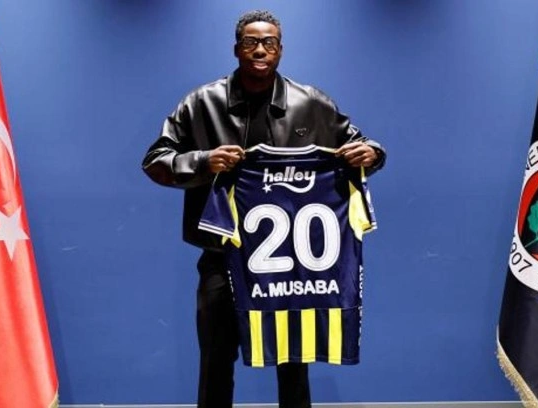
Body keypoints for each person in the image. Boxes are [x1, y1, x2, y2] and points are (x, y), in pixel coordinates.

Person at [141, 10, 386, 408]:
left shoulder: (311, 103)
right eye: (251, 42)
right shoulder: (202, 103)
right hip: (222, 257)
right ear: (236, 48)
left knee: (294, 361)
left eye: (269, 43)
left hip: (291, 264)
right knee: (216, 360)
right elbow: (156, 161)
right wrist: (203, 161)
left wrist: (372, 153)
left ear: (280, 50)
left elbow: (362, 145)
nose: (260, 50)